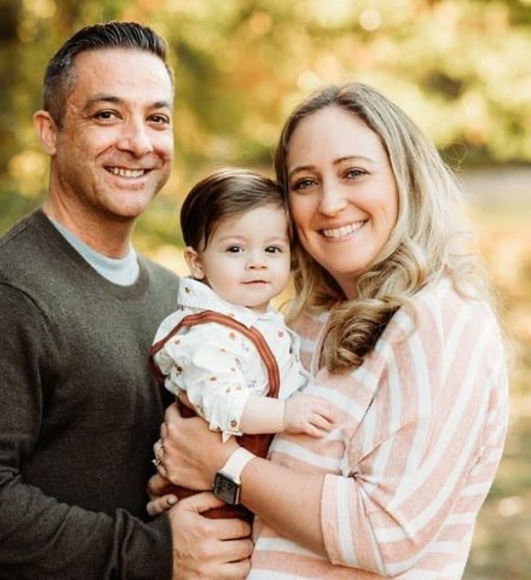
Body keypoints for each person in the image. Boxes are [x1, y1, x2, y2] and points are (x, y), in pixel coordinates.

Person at [149, 82, 510, 578]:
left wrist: (222, 467)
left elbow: (387, 535)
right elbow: (258, 478)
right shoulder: (303, 321)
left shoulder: (444, 321)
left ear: (405, 178)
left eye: (353, 173)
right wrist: (188, 487)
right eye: (305, 183)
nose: (330, 203)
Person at [0, 21, 252, 579]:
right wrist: (153, 553)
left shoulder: (179, 299)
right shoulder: (4, 294)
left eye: (157, 118)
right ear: (50, 131)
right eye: (107, 115)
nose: (138, 142)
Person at [149, 168, 335, 520]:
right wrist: (286, 414)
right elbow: (225, 404)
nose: (256, 262)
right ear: (197, 262)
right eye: (235, 249)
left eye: (272, 249)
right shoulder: (209, 334)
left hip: (247, 479)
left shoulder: (261, 318)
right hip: (209, 493)